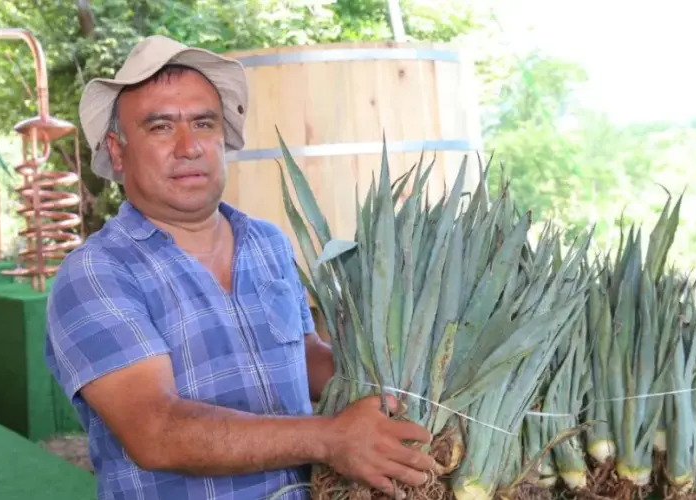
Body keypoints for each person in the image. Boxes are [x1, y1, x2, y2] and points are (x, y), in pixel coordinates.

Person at [44, 35, 438, 500]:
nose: (189, 146)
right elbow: (157, 432)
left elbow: (302, 353)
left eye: (204, 123)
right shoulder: (97, 273)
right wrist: (332, 438)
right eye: (161, 127)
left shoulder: (267, 243)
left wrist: (401, 378)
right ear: (117, 150)